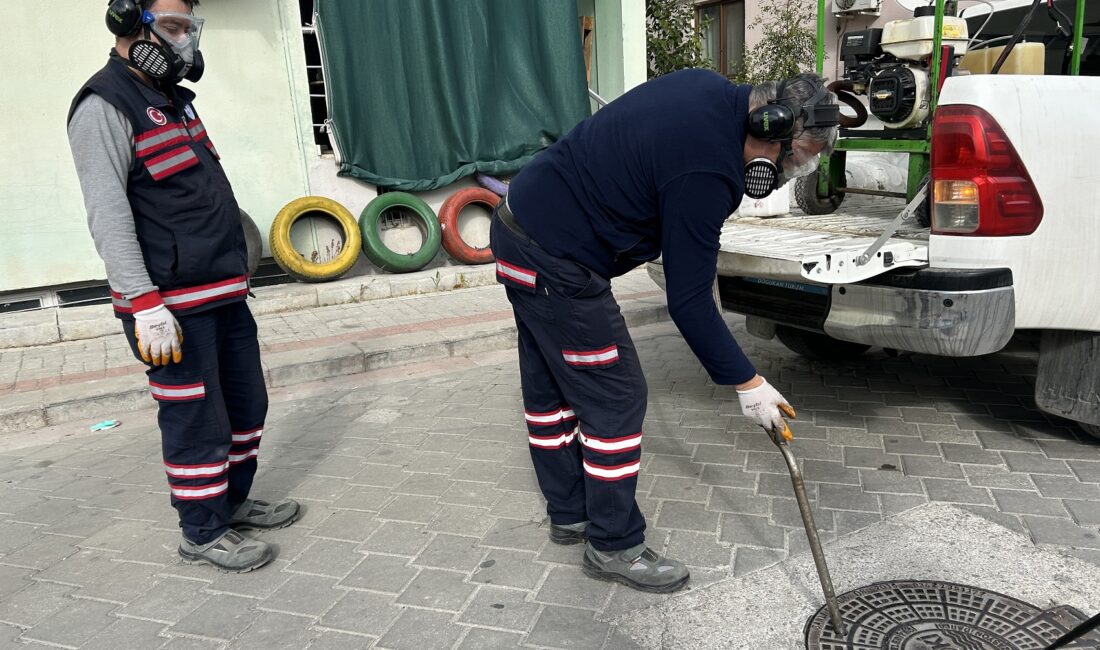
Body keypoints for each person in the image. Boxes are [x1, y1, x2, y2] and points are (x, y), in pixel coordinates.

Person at [489, 69, 841, 593]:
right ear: (771, 127)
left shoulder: (707, 88)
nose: (789, 171)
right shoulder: (708, 171)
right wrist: (748, 383)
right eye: (793, 158)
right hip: (559, 262)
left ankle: (569, 512)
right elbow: (690, 301)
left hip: (517, 230)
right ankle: (614, 544)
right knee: (617, 396)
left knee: (553, 387)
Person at [66, 0, 299, 573]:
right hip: (169, 307)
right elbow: (109, 213)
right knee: (197, 419)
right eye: (172, 27)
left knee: (247, 405)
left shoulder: (174, 100)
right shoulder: (103, 105)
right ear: (128, 24)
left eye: (189, 28)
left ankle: (233, 502)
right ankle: (201, 531)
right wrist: (144, 305)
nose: (184, 41)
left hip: (221, 293)